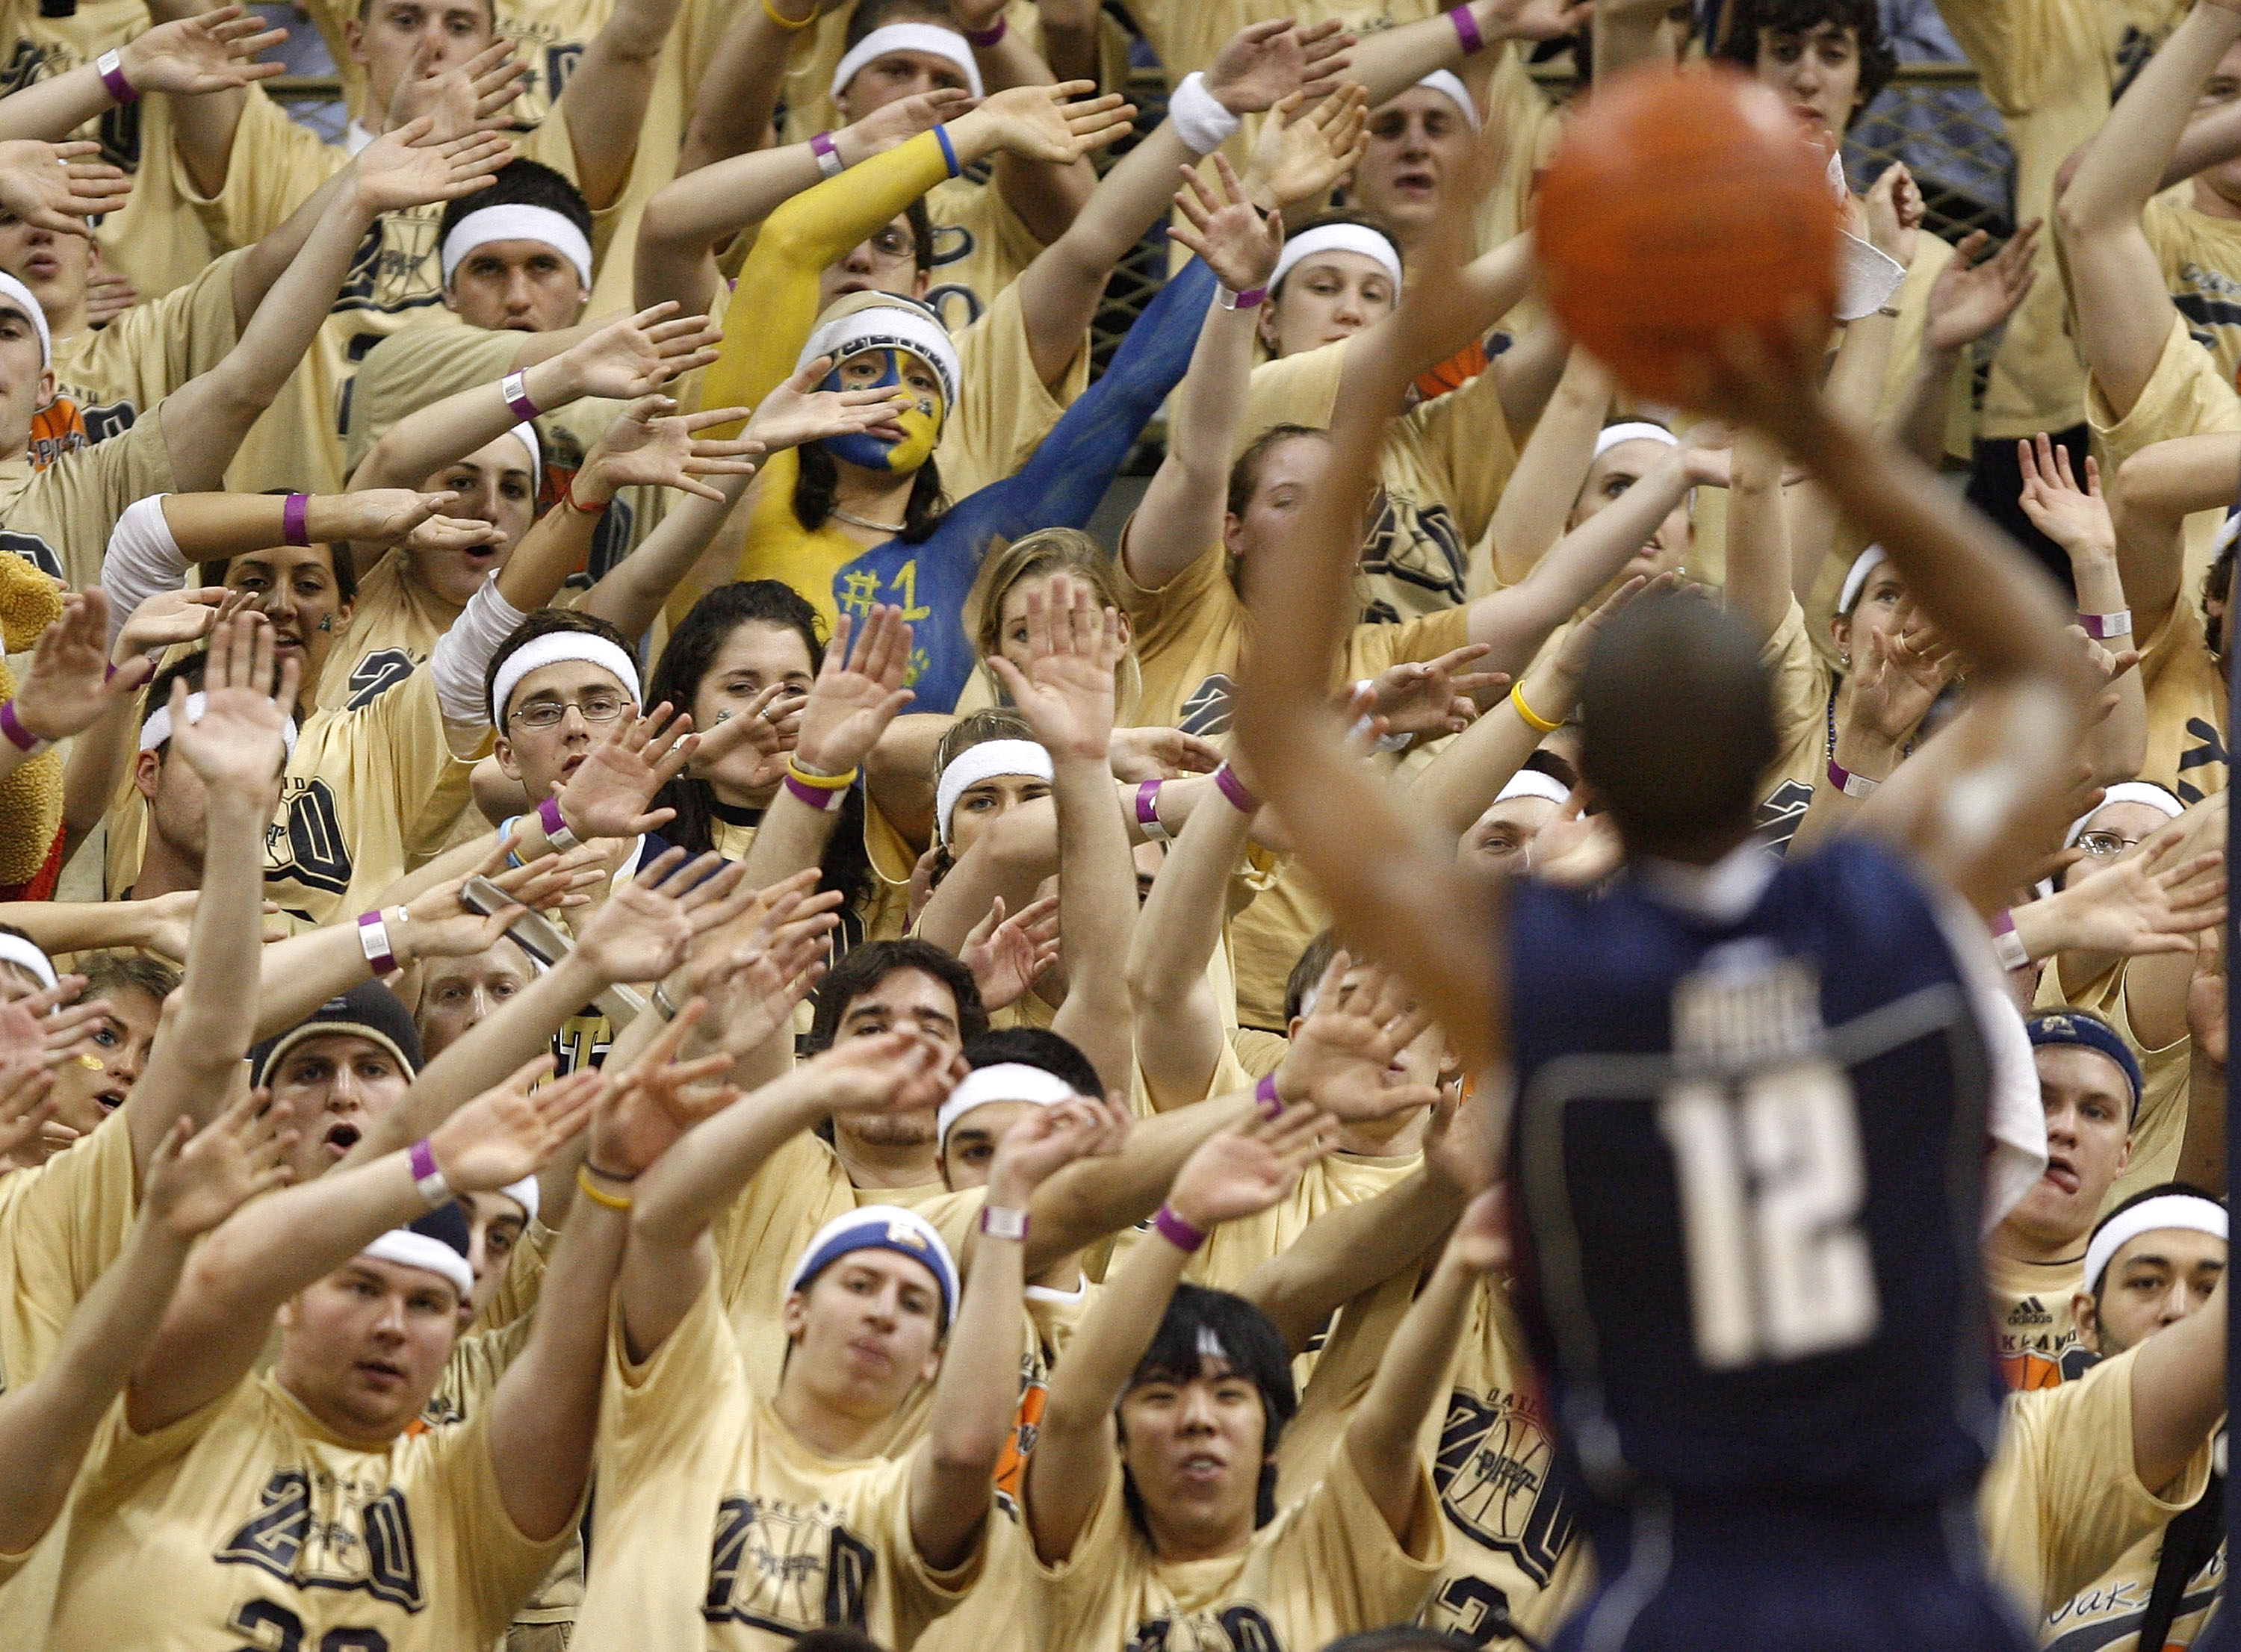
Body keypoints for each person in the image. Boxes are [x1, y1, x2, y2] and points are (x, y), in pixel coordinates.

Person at [1233, 172, 2092, 1645]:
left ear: (1594, 783)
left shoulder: (1539, 972)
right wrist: (1815, 420)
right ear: (1776, 741)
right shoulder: (1888, 921)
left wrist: (1384, 381)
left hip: (1673, 1583)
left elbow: (1289, 741)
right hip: (1920, 1581)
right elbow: (2044, 675)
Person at [570, 1031, 1116, 1649]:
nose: (883, 1312)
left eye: (914, 1304)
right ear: (794, 1309)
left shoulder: (897, 1509)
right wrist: (815, 1088)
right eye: (860, 1284)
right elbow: (664, 1226)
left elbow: (966, 1450)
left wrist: (1011, 1206)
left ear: (934, 1361)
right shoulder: (688, 1419)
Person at [1013, 1111, 1501, 1652]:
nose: (1198, 1419)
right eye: (1160, 1397)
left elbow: (1390, 1431)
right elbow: (1075, 1409)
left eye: (1228, 1395)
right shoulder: (1083, 1565)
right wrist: (1185, 1218)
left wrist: (1461, 1266)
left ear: (1272, 1443)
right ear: (1119, 1445)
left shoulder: (1323, 1562)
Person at [1980, 1184, 2228, 1647]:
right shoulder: (2025, 1446)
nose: (2179, 1312)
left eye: (2210, 1292)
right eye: (2148, 1283)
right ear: (2087, 1320)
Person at [1986, 1011, 2145, 1388]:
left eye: (2095, 1112)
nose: (2064, 1129)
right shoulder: (1913, 1270)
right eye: (2040, 1101)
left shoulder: (2156, 1292)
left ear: (2123, 1156)